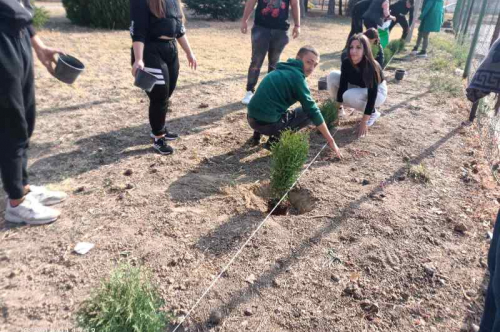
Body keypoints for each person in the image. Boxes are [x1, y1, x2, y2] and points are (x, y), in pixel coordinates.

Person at [0, 0, 69, 225]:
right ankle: (16, 203)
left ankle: (23, 187)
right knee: (11, 122)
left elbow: (21, 11)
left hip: (18, 39)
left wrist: (38, 46)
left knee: (27, 118)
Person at [247, 46, 342, 159]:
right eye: (308, 62)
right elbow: (313, 111)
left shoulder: (282, 68)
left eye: (315, 65)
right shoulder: (297, 78)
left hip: (251, 118)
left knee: (276, 105)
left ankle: (256, 136)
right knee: (307, 113)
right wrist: (331, 141)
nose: (311, 68)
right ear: (298, 58)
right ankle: (273, 142)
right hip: (266, 125)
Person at [130, 0, 197, 155]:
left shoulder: (174, 1)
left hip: (171, 50)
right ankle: (158, 136)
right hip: (151, 50)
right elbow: (138, 30)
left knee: (167, 92)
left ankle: (159, 127)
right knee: (159, 96)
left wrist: (189, 52)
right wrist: (139, 58)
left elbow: (179, 29)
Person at [240, 0, 301, 105]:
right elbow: (251, 2)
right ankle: (250, 91)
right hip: (261, 27)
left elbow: (295, 4)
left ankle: (270, 92)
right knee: (256, 60)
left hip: (281, 30)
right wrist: (244, 20)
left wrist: (297, 25)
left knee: (274, 63)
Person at [327, 34, 388, 138]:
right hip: (360, 88)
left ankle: (373, 113)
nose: (353, 51)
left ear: (365, 49)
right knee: (333, 75)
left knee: (348, 96)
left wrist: (364, 122)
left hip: (378, 92)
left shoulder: (371, 66)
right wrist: (336, 111)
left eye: (358, 47)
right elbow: (342, 86)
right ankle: (340, 111)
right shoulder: (347, 62)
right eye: (351, 47)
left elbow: (372, 95)